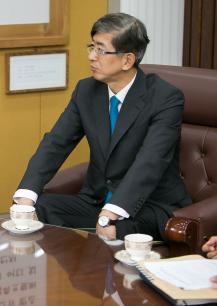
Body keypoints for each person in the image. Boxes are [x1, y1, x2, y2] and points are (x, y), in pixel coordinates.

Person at [14, 13, 192, 241]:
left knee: (114, 230)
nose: (91, 57)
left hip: (147, 204)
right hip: (96, 200)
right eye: (91, 47)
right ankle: (68, 275)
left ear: (127, 60)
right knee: (40, 210)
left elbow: (151, 161)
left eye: (100, 49)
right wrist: (27, 196)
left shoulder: (165, 98)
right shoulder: (86, 91)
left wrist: (113, 212)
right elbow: (56, 143)